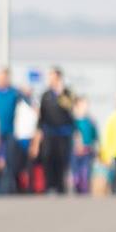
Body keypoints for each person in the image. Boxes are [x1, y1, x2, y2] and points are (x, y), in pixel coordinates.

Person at [35, 68, 76, 198]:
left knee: (62, 160)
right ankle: (50, 186)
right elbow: (41, 117)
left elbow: (70, 107)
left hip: (64, 133)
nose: (50, 80)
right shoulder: (45, 95)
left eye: (52, 77)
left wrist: (60, 93)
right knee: (48, 158)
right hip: (49, 133)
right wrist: (38, 135)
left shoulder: (67, 93)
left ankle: (60, 187)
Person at [0, 67, 22, 195]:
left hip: (9, 132)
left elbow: (29, 104)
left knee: (8, 161)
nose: (2, 80)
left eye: (4, 77)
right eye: (0, 77)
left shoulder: (15, 93)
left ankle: (6, 188)